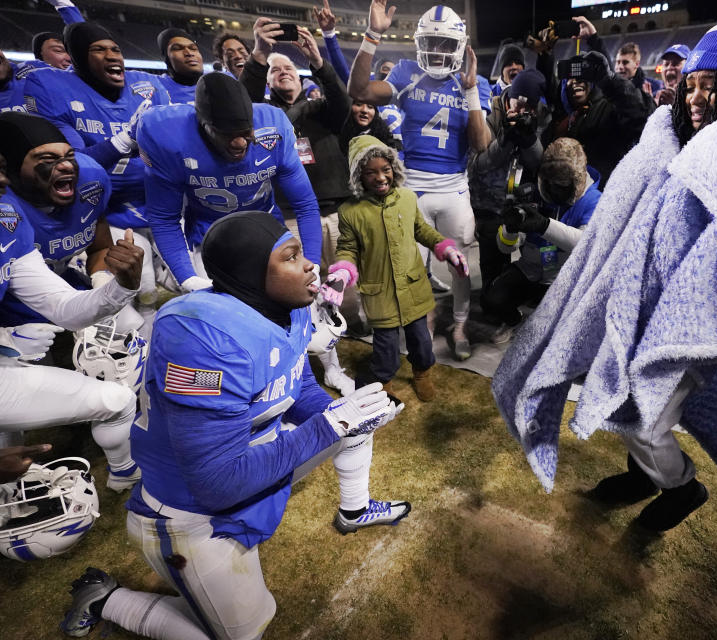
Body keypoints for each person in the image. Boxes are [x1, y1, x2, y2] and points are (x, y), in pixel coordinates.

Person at [493, 9, 717, 532]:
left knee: (645, 419)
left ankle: (683, 488)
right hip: (648, 307)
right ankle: (643, 476)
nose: (695, 97)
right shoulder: (674, 139)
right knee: (629, 403)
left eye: (711, 85)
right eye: (690, 85)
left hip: (697, 325)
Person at [59, 210, 409, 640]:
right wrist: (328, 427)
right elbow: (217, 483)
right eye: (291, 256)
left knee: (356, 425)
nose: (310, 266)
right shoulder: (205, 341)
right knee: (240, 634)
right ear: (249, 272)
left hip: (248, 460)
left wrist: (338, 416)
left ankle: (354, 509)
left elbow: (293, 379)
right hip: (191, 509)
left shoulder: (284, 305)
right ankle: (106, 598)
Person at [348, 1, 493, 361]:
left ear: (458, 47)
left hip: (455, 187)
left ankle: (459, 322)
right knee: (413, 265)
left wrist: (471, 90)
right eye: (431, 42)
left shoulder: (475, 83)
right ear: (419, 42)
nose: (438, 51)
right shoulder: (406, 72)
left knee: (458, 265)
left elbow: (481, 144)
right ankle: (424, 318)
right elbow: (360, 91)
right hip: (411, 186)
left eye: (445, 44)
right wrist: (373, 35)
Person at [0, 141, 146, 492]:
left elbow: (65, 308)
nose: (2, 181)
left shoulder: (6, 218)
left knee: (116, 398)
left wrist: (119, 287)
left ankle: (125, 473)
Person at [239, 17, 355, 394]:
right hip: (288, 216)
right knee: (300, 294)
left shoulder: (321, 108)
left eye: (290, 66)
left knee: (339, 290)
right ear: (269, 80)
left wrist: (319, 63)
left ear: (302, 76)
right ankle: (305, 368)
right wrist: (259, 57)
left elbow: (343, 103)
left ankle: (338, 349)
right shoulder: (264, 116)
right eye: (276, 70)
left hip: (335, 210)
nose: (284, 72)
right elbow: (246, 101)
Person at [23, 22, 170, 305]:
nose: (112, 55)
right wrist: (124, 139)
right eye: (98, 50)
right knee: (141, 285)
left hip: (157, 207)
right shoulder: (53, 87)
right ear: (78, 58)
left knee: (177, 283)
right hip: (101, 213)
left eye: (115, 49)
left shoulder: (147, 87)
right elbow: (73, 164)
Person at [137, 73, 323, 293]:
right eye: (227, 134)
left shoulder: (273, 125)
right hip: (211, 234)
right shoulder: (165, 134)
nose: (239, 143)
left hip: (267, 225)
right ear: (203, 124)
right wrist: (187, 278)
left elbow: (305, 204)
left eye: (246, 133)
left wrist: (314, 264)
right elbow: (163, 217)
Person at [324, 135, 468, 402]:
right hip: (380, 294)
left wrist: (446, 249)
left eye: (385, 169)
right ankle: (384, 379)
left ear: (394, 169)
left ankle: (422, 372)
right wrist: (342, 272)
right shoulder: (350, 211)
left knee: (422, 342)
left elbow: (421, 230)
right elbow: (348, 248)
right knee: (386, 347)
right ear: (359, 177)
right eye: (371, 172)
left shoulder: (407, 198)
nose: (380, 177)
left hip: (413, 289)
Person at [0, 112, 143, 335]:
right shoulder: (7, 208)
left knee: (127, 325)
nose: (67, 166)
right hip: (11, 305)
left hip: (51, 283)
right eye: (48, 160)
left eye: (70, 156)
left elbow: (100, 247)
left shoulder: (90, 179)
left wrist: (108, 282)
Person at [485, 137, 600, 344]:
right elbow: (505, 248)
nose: (555, 191)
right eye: (551, 184)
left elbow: (586, 244)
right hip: (530, 266)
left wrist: (543, 225)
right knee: (493, 299)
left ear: (578, 179)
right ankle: (515, 321)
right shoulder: (533, 191)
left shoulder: (594, 200)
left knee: (555, 333)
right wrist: (511, 227)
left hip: (563, 276)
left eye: (561, 185)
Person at [469, 68, 548, 296]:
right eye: (518, 103)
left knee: (526, 261)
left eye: (529, 106)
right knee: (492, 275)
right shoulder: (489, 112)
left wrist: (529, 139)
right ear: (509, 95)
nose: (522, 110)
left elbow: (538, 162)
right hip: (489, 202)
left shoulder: (541, 113)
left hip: (521, 197)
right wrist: (504, 141)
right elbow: (478, 164)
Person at [541, 46, 653, 185]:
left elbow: (642, 114)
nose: (577, 80)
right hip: (563, 199)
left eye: (584, 76)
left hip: (602, 196)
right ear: (564, 85)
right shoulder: (560, 120)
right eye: (572, 77)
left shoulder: (609, 108)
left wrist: (609, 81)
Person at [156, 28, 204, 104]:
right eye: (177, 49)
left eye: (193, 48)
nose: (189, 53)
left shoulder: (217, 86)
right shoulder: (155, 89)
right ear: (166, 58)